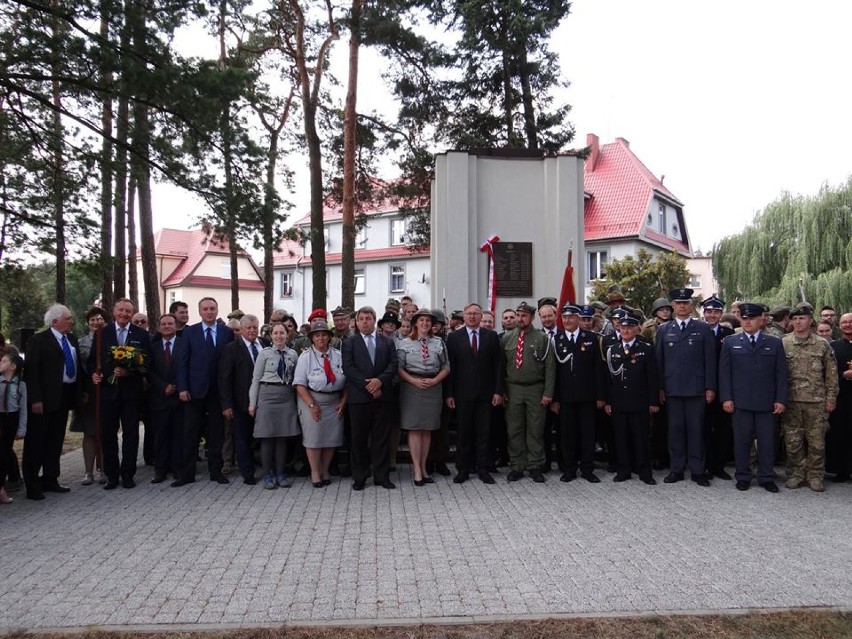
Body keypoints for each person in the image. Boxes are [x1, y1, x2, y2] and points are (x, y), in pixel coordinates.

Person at [718, 303, 788, 493]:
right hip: (741, 402)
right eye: (744, 318)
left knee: (767, 442)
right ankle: (743, 476)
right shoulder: (731, 342)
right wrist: (726, 398)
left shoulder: (774, 343)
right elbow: (724, 374)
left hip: (766, 402)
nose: (747, 322)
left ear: (761, 320)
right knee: (742, 442)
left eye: (752, 318)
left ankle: (766, 476)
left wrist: (781, 399)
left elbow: (781, 374)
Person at [655, 288, 717, 487]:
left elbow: (710, 361)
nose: (682, 306)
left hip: (696, 389)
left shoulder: (703, 329)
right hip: (672, 389)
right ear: (672, 306)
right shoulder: (664, 330)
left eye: (686, 303)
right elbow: (659, 362)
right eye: (678, 303)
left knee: (696, 430)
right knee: (675, 430)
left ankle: (698, 470)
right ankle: (677, 469)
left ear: (691, 306)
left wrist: (710, 387)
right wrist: (660, 388)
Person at [173, 297, 235, 487]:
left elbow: (229, 364)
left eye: (212, 309)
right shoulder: (189, 333)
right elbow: (182, 362)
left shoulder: (227, 333)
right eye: (205, 309)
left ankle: (216, 471)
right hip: (194, 391)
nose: (209, 312)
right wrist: (182, 387)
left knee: (216, 434)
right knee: (190, 433)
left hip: (217, 392)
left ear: (217, 311)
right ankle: (187, 474)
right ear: (199, 312)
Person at [90, 298, 151, 490]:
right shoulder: (102, 333)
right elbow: (93, 360)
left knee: (131, 435)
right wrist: (96, 374)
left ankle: (128, 475)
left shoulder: (140, 334)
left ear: (132, 314)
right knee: (108, 435)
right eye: (121, 310)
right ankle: (112, 475)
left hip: (131, 393)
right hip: (108, 392)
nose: (124, 314)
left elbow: (146, 364)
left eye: (128, 311)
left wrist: (129, 372)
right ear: (114, 311)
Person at [24, 303, 80, 500]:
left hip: (64, 396)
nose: (72, 321)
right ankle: (32, 484)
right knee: (37, 441)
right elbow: (32, 372)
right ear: (55, 321)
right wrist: (35, 399)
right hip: (44, 399)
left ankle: (50, 478)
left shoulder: (71, 339)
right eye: (68, 318)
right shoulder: (38, 341)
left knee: (55, 440)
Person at [781, 303, 839, 492]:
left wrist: (831, 399)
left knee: (816, 441)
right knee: (793, 440)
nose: (798, 322)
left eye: (802, 318)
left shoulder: (822, 344)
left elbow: (831, 375)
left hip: (816, 402)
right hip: (791, 401)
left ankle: (815, 475)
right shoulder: (784, 343)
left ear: (810, 321)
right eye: (795, 318)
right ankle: (796, 474)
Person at [445, 303, 503, 485]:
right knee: (464, 433)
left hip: (486, 394)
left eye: (476, 314)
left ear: (481, 316)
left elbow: (498, 366)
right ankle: (463, 469)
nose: (472, 317)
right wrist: (450, 394)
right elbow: (450, 368)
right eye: (469, 314)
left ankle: (483, 469)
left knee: (484, 433)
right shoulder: (454, 338)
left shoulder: (491, 336)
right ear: (464, 316)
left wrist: (498, 391)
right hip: (463, 395)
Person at [342, 306, 399, 491]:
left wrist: (379, 382)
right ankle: (359, 476)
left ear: (374, 320)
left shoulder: (387, 342)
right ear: (356, 322)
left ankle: (381, 476)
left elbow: (393, 364)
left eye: (368, 318)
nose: (365, 321)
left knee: (381, 438)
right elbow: (348, 368)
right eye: (361, 319)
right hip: (359, 398)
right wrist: (369, 385)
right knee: (358, 439)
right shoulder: (350, 343)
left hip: (382, 397)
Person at [501, 301, 555, 483]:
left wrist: (548, 393)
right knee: (514, 429)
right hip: (513, 388)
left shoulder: (542, 338)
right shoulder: (507, 338)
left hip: (535, 389)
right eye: (518, 315)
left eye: (524, 315)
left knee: (535, 429)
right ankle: (517, 465)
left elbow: (550, 368)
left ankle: (535, 465)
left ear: (532, 317)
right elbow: (500, 368)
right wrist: (502, 391)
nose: (520, 318)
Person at [394, 308, 449, 486]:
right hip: (412, 387)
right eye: (421, 320)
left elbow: (446, 366)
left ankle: (424, 467)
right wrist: (413, 381)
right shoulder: (404, 343)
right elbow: (399, 368)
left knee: (427, 429)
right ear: (415, 323)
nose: (425, 324)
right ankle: (416, 468)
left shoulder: (438, 342)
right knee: (415, 429)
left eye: (428, 321)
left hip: (433, 387)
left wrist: (434, 381)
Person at [551, 304, 605, 483]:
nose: (567, 320)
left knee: (587, 434)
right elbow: (554, 373)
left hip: (587, 396)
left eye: (571, 317)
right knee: (568, 435)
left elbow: (598, 369)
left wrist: (600, 396)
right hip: (565, 398)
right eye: (564, 318)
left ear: (578, 319)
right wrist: (555, 398)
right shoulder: (556, 339)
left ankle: (588, 469)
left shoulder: (590, 338)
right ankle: (570, 469)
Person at [603, 313, 659, 484]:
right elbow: (608, 379)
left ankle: (644, 471)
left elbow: (652, 377)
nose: (625, 330)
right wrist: (608, 401)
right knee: (621, 438)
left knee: (641, 438)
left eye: (629, 327)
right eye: (622, 327)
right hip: (619, 402)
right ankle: (623, 470)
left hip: (639, 401)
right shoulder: (613, 350)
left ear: (637, 329)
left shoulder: (646, 348)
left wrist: (653, 401)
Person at [294, 319, 347, 487]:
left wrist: (344, 401)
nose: (321, 338)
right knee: (314, 438)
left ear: (329, 337)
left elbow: (348, 381)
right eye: (317, 335)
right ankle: (315, 472)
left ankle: (325, 470)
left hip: (334, 401)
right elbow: (299, 384)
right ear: (312, 338)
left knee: (331, 438)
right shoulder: (305, 357)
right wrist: (311, 405)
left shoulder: (338, 356)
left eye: (324, 335)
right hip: (312, 399)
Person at [248, 322, 299, 489]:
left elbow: (296, 379)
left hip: (286, 396)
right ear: (271, 336)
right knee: (267, 437)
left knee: (282, 437)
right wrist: (252, 403)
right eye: (275, 333)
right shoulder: (264, 354)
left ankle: (280, 473)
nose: (279, 336)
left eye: (282, 333)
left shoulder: (293, 354)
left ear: (287, 335)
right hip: (267, 396)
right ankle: (267, 474)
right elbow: (255, 379)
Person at [219, 314, 263, 485]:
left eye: (254, 328)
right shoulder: (231, 349)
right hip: (240, 402)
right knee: (243, 438)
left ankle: (266, 467)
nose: (252, 331)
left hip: (263, 401)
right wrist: (226, 404)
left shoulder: (264, 345)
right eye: (248, 328)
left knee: (261, 437)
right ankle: (248, 472)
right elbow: (224, 378)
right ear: (241, 330)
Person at [73, 306, 110, 485]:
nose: (96, 322)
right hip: (88, 391)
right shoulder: (80, 343)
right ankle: (88, 472)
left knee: (102, 432)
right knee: (89, 432)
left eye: (100, 319)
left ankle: (102, 469)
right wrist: (83, 390)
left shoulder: (111, 339)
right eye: (92, 319)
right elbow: (78, 369)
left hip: (106, 391)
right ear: (88, 323)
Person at [701, 294, 735, 480]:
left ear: (721, 313)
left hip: (723, 389)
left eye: (716, 312)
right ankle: (704, 465)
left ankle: (719, 466)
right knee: (704, 429)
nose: (712, 315)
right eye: (709, 311)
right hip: (702, 389)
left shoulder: (728, 335)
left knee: (722, 429)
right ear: (704, 313)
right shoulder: (697, 332)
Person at [147, 313, 182, 484]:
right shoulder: (152, 347)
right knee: (160, 435)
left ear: (176, 326)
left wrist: (175, 386)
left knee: (177, 435)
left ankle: (177, 468)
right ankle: (160, 470)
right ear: (159, 327)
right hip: (159, 398)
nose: (167, 326)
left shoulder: (183, 345)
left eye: (170, 323)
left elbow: (186, 367)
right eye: (164, 324)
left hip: (178, 398)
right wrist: (163, 387)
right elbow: (149, 371)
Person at [827, 312, 852, 483]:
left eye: (851, 322)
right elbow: (827, 371)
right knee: (841, 433)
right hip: (841, 396)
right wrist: (844, 374)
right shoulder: (833, 346)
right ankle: (841, 470)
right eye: (844, 322)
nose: (848, 325)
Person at [0, 353, 26, 504]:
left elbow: (23, 409)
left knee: (4, 455)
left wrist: (22, 429)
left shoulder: (20, 385)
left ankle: (1, 488)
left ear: (13, 366)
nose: (0, 362)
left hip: (11, 420)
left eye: (4, 361)